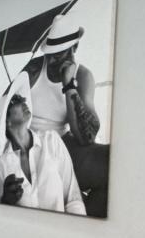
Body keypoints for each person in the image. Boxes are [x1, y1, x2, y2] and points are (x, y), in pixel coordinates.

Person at [17, 14, 110, 216]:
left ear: (74, 47)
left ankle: (81, 220)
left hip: (63, 145)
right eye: (50, 53)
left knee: (112, 164)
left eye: (59, 54)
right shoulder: (34, 69)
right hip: (30, 144)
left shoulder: (83, 76)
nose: (52, 59)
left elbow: (86, 138)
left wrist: (69, 85)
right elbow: (6, 109)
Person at [0, 93, 85, 215]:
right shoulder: (2, 165)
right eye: (15, 101)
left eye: (22, 98)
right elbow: (0, 216)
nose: (23, 101)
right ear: (6, 122)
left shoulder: (51, 140)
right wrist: (6, 201)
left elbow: (73, 199)